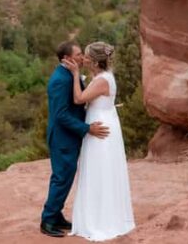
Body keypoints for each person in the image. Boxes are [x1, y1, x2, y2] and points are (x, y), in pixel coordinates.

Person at [64, 41, 135, 241]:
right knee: (101, 169)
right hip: (104, 121)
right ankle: (102, 215)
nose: (83, 59)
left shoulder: (102, 80)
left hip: (99, 127)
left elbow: (79, 99)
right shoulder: (102, 77)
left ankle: (100, 220)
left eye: (86, 57)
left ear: (94, 62)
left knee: (99, 170)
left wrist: (76, 74)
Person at [40, 40, 110, 238]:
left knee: (66, 176)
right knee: (61, 178)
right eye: (79, 54)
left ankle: (56, 215)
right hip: (62, 138)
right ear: (67, 58)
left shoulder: (69, 74)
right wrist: (87, 128)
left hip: (69, 137)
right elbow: (60, 114)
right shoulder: (60, 80)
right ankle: (47, 219)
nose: (82, 57)